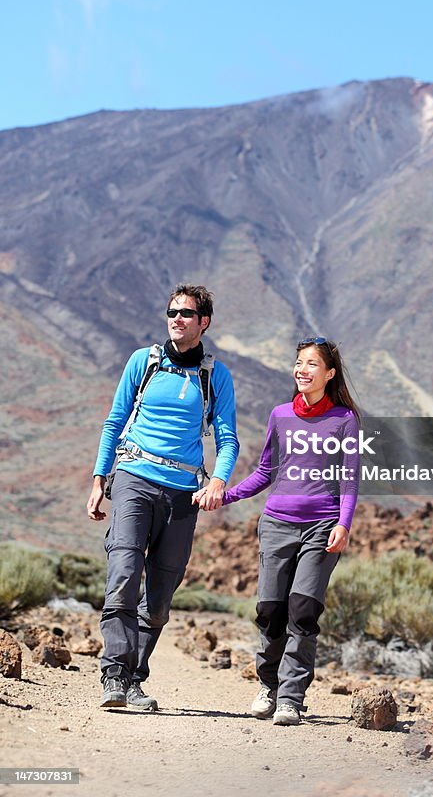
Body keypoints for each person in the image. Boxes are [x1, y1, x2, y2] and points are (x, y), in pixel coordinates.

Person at [87, 284, 239, 711]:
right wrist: (100, 478)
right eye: (172, 312)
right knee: (122, 575)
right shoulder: (144, 361)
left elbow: (227, 439)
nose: (176, 319)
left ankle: (135, 678)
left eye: (186, 314)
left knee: (157, 600)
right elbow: (115, 420)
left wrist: (219, 481)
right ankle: (115, 677)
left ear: (203, 322)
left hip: (182, 495)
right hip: (134, 479)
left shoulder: (215, 375)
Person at [195, 335, 360, 725]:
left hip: (322, 525)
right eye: (299, 363)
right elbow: (267, 471)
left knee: (302, 610)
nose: (302, 370)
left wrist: (344, 523)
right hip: (276, 524)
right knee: (270, 610)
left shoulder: (345, 420)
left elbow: (350, 479)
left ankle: (291, 697)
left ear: (330, 373)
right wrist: (226, 495)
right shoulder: (280, 415)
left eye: (312, 364)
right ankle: (269, 686)